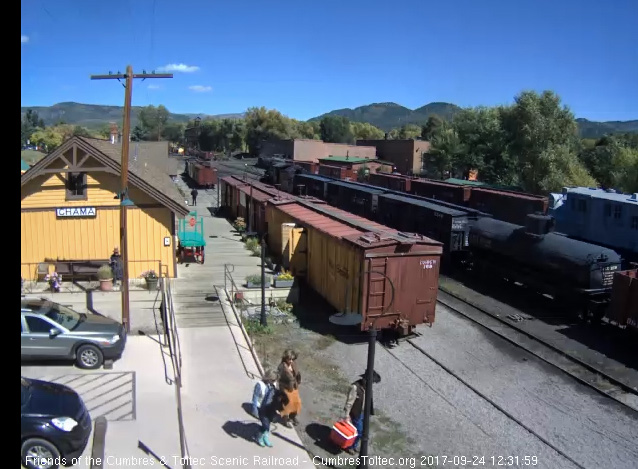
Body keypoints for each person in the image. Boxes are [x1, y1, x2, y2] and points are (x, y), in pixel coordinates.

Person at [343, 371, 381, 454]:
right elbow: (349, 402)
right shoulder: (355, 387)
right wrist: (347, 415)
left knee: (362, 431)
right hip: (356, 413)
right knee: (359, 431)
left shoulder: (368, 388)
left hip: (364, 413)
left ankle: (354, 446)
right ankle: (350, 447)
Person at [256, 380, 289, 447]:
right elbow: (267, 402)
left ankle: (265, 437)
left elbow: (282, 404)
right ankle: (259, 437)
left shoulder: (283, 395)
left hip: (271, 412)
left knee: (267, 424)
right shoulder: (273, 391)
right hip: (264, 410)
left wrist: (280, 410)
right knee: (266, 425)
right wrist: (273, 405)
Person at [277, 350, 302, 427]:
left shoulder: (293, 364)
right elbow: (279, 378)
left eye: (292, 359)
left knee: (297, 402)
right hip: (285, 387)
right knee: (288, 403)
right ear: (285, 358)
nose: (291, 361)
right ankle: (285, 419)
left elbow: (297, 373)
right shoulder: (281, 367)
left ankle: (293, 416)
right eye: (289, 359)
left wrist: (298, 380)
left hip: (293, 387)